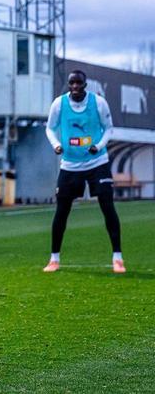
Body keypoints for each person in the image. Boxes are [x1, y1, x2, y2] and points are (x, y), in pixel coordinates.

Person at [43, 70, 124, 273]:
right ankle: (54, 259)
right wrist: (55, 145)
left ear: (85, 84)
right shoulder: (58, 104)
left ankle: (118, 257)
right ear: (68, 85)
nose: (76, 86)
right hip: (70, 165)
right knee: (62, 210)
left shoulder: (98, 103)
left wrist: (99, 145)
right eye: (72, 83)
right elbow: (49, 128)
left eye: (79, 83)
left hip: (97, 162)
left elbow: (108, 128)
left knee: (107, 206)